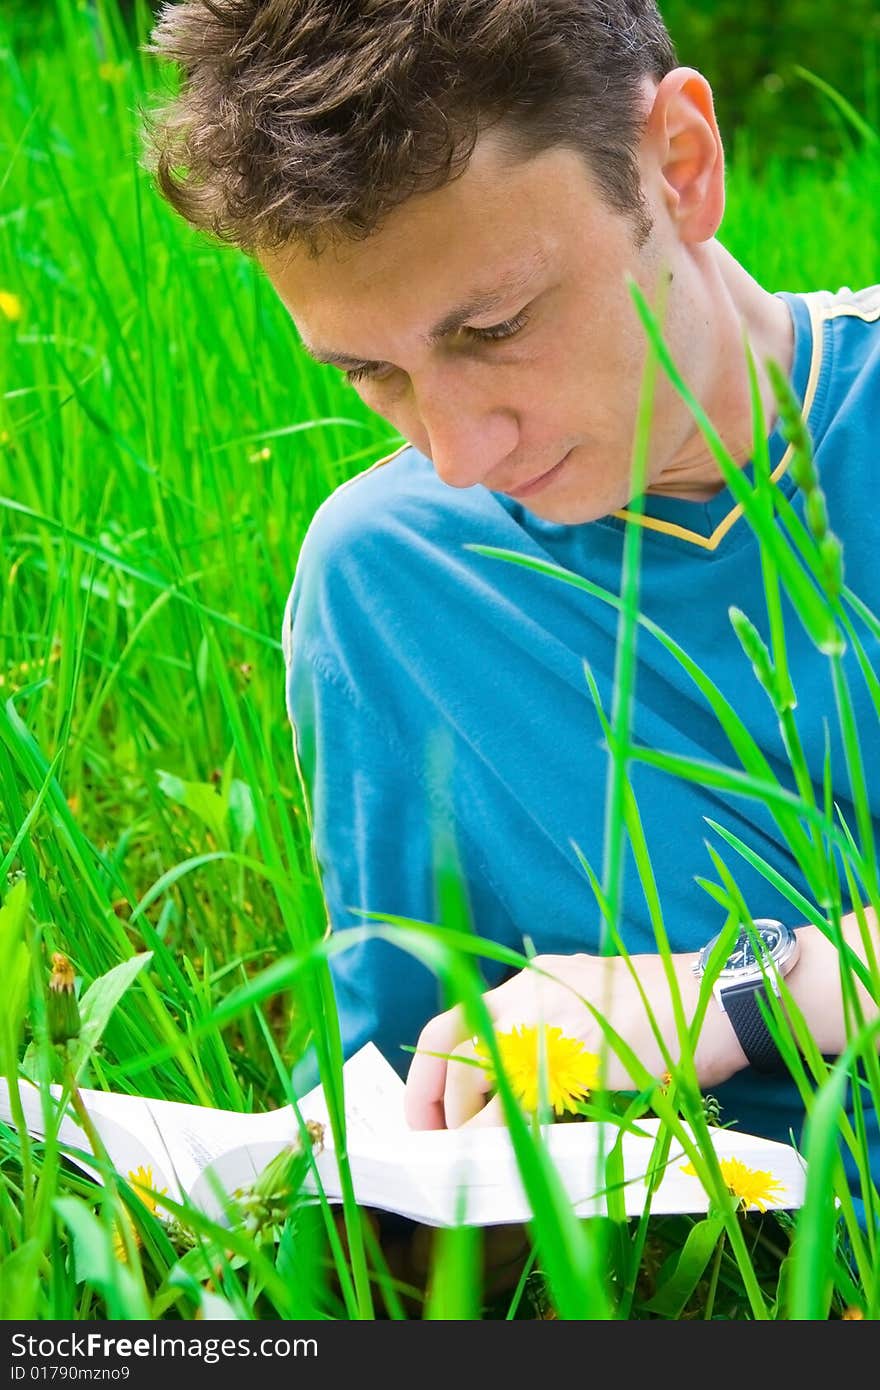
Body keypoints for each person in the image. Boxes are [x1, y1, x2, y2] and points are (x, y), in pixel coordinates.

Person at [143, 0, 880, 1234]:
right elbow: (392, 1109)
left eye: (493, 330)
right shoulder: (385, 580)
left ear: (678, 165)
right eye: (370, 373)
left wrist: (715, 998)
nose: (457, 451)